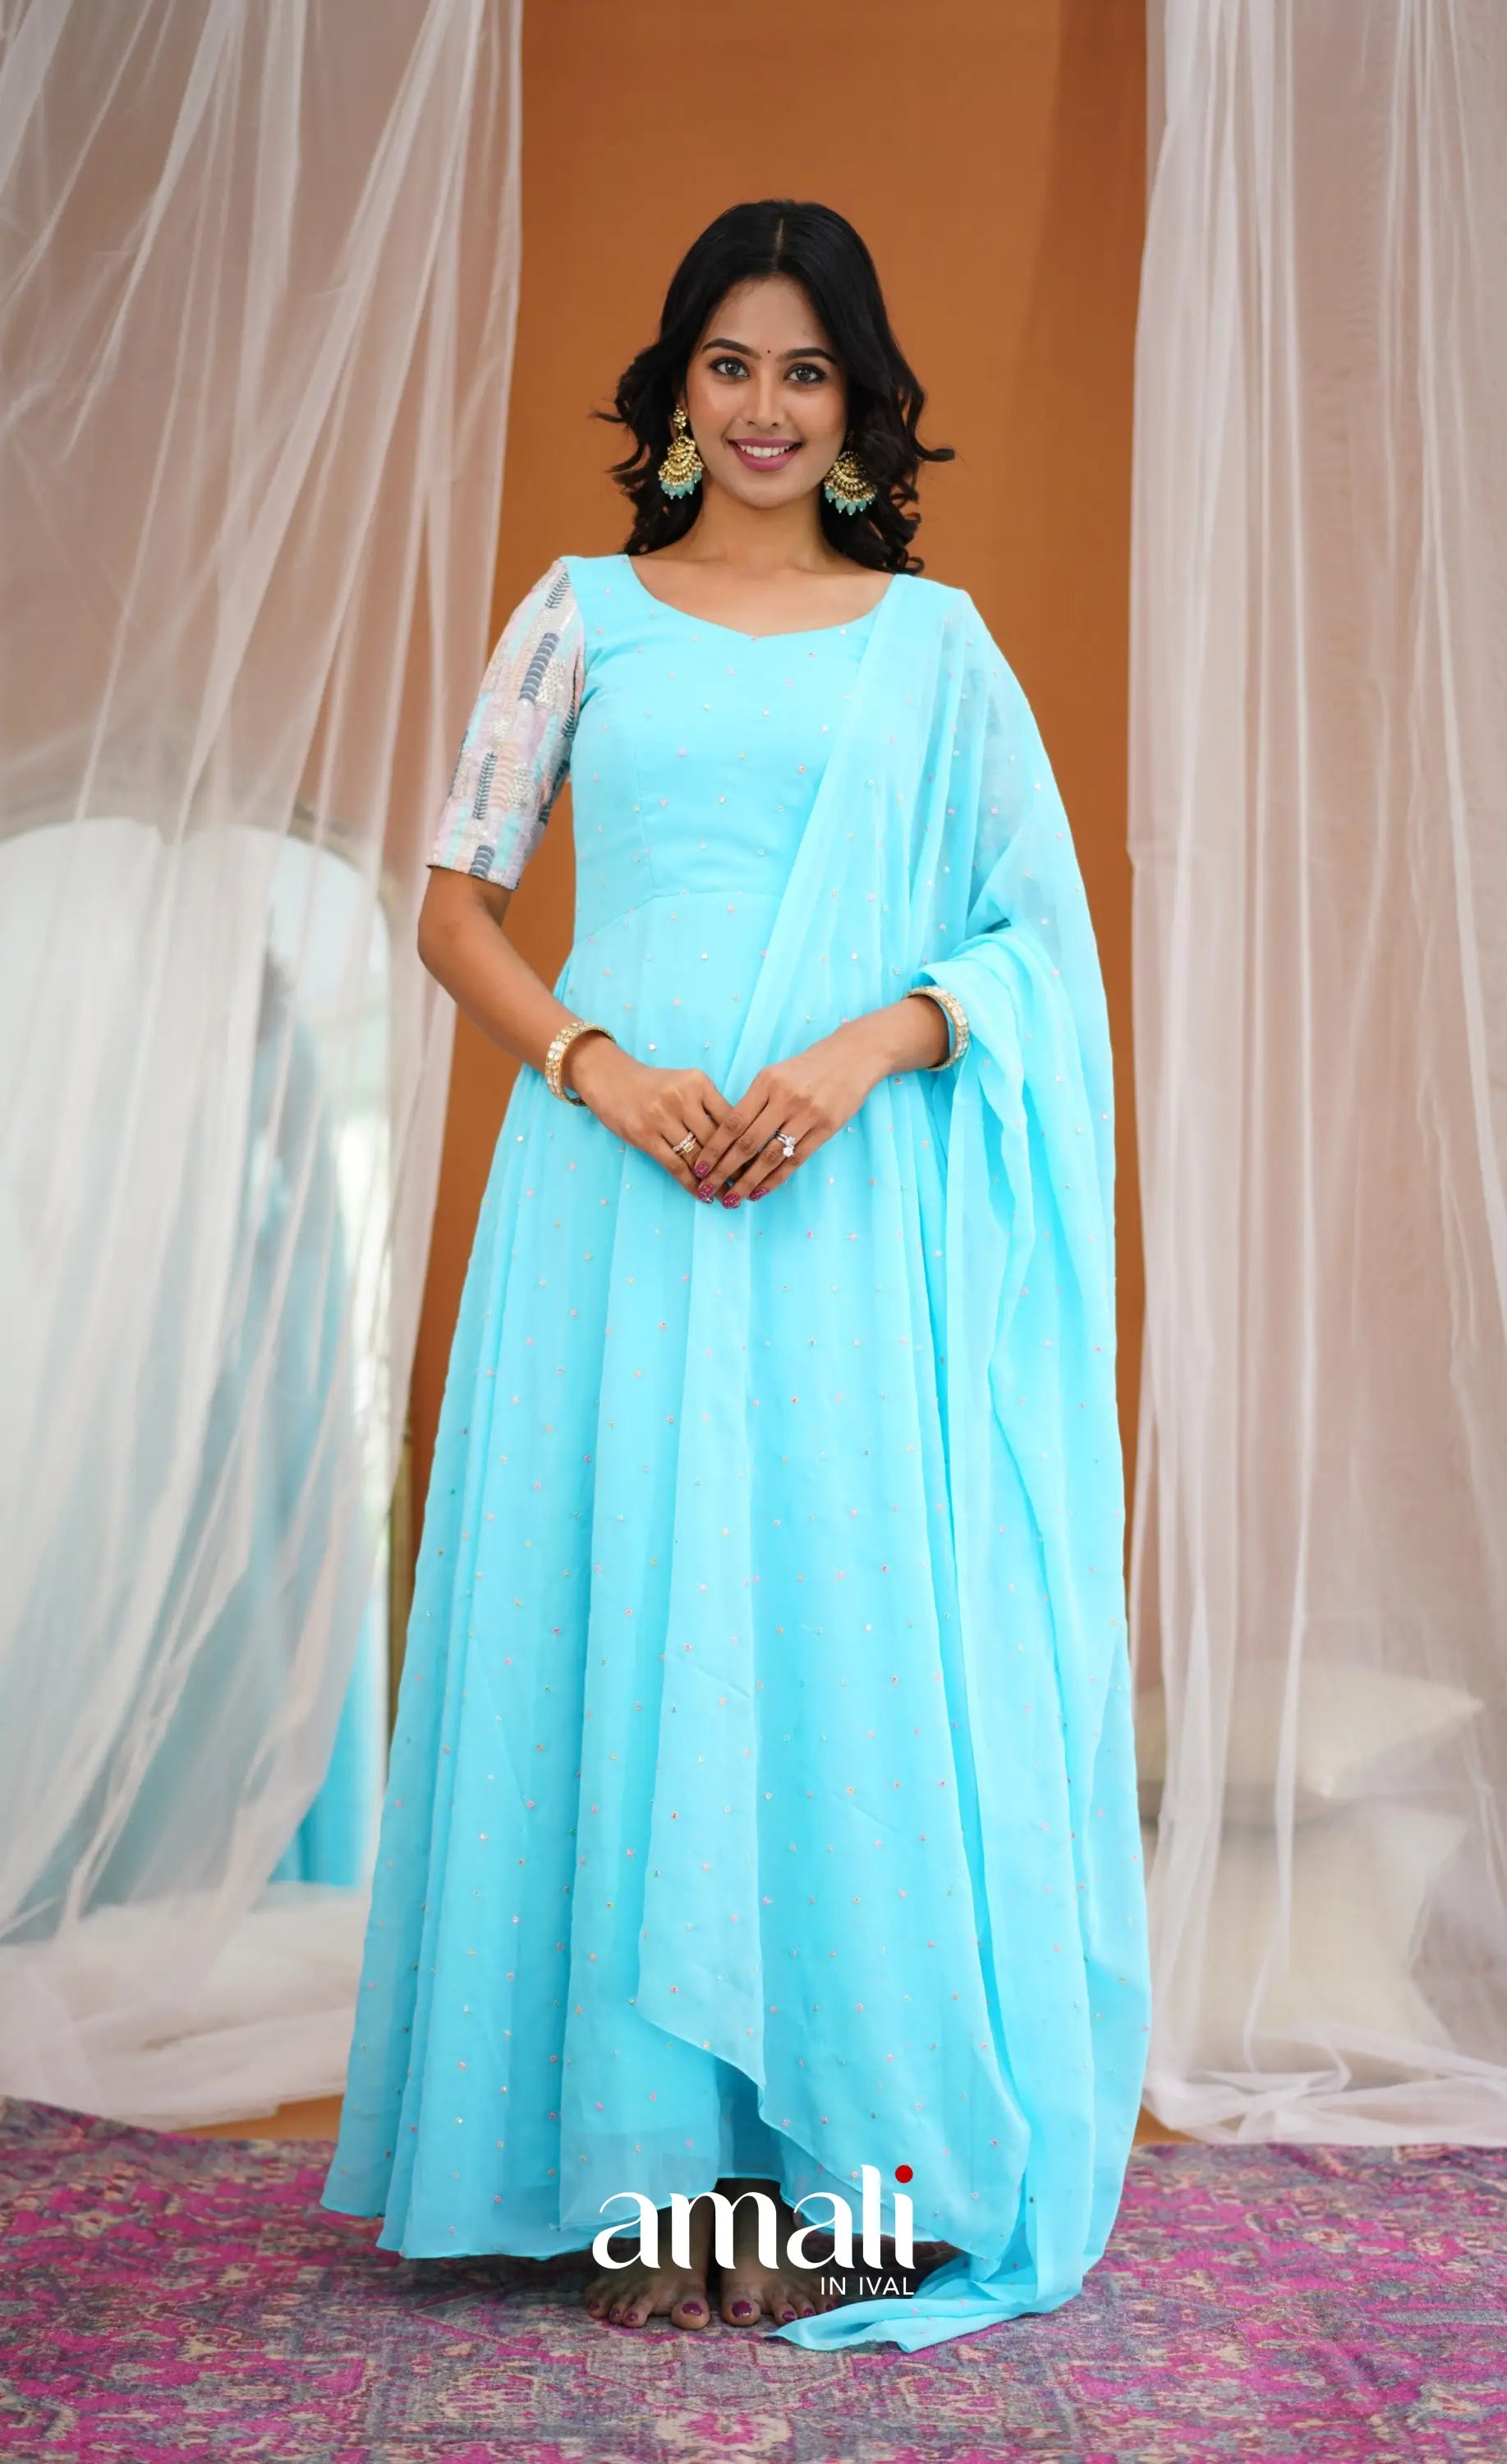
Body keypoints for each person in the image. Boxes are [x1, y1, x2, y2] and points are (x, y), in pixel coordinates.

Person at [319, 197, 1151, 2354]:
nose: (767, 408)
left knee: (823, 1646)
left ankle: (830, 2180)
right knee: (611, 1622)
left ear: (858, 403)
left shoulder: (933, 648)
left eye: (806, 371)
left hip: (838, 1222)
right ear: (676, 388)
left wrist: (867, 1050)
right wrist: (596, 1070)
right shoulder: (577, 616)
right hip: (610, 1208)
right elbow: (453, 903)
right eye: (729, 364)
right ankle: (627, 2180)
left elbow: (1034, 946)